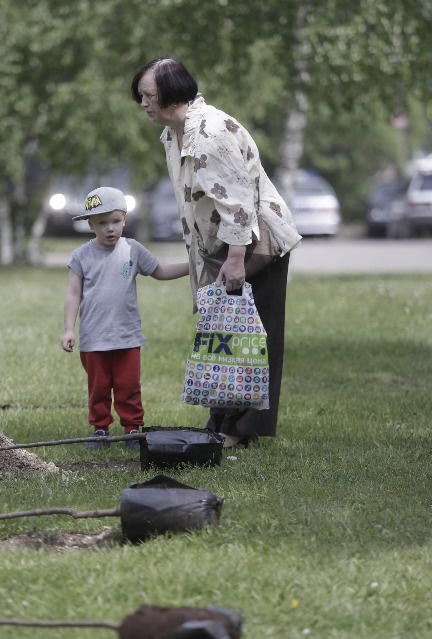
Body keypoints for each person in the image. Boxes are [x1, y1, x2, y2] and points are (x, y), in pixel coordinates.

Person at [131, 57, 303, 448]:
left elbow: (237, 202)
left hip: (253, 243)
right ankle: (222, 420)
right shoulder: (175, 133)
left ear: (173, 93)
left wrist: (236, 259)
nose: (143, 103)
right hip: (221, 243)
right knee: (223, 332)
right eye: (141, 95)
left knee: (251, 336)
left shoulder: (210, 132)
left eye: (148, 95)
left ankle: (240, 429)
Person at [61, 186, 189, 451]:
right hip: (94, 337)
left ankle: (132, 429)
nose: (110, 228)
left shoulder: (133, 249)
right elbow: (73, 294)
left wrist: (193, 267)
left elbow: (160, 271)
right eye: (102, 223)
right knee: (98, 387)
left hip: (127, 335)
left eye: (116, 221)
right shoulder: (81, 256)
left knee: (128, 385)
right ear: (91, 224)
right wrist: (69, 329)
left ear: (125, 220)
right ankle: (100, 430)